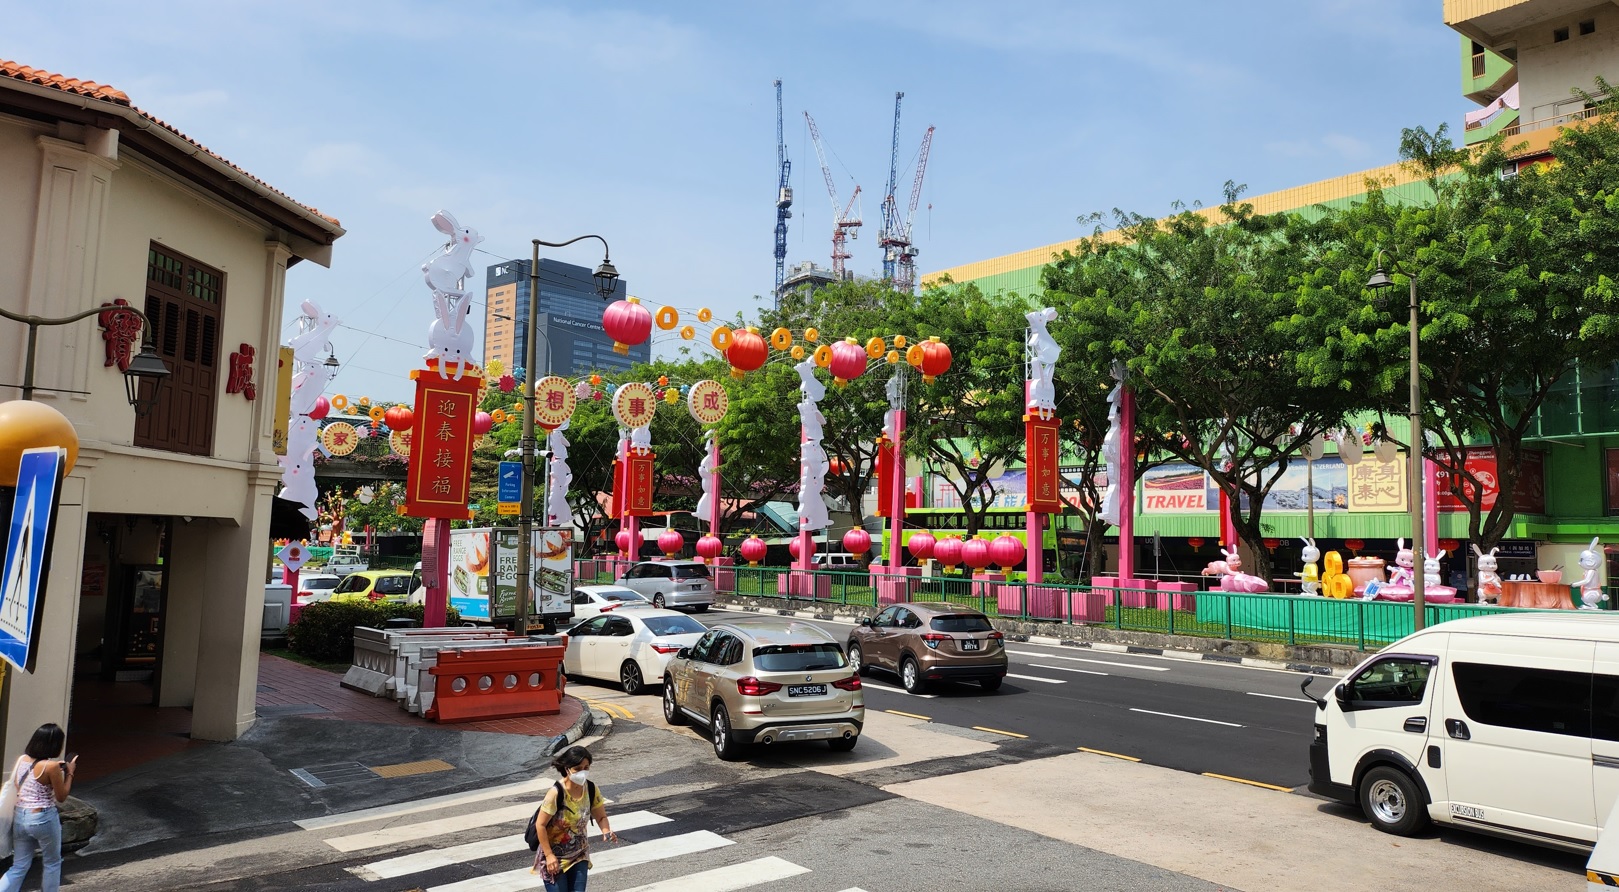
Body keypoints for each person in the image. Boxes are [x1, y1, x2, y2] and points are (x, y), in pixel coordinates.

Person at [2, 723, 75, 892]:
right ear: (55, 744)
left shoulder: (22, 760)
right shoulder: (51, 766)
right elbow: (62, 796)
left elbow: (18, 785)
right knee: (52, 862)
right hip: (43, 817)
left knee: (19, 866)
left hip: (21, 815)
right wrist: (70, 772)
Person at [533, 745, 617, 892]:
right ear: (567, 768)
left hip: (579, 855)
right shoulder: (556, 793)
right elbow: (540, 825)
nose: (582, 772)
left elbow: (601, 816)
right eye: (578, 768)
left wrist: (606, 831)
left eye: (586, 767)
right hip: (555, 858)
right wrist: (549, 855)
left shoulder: (591, 789)